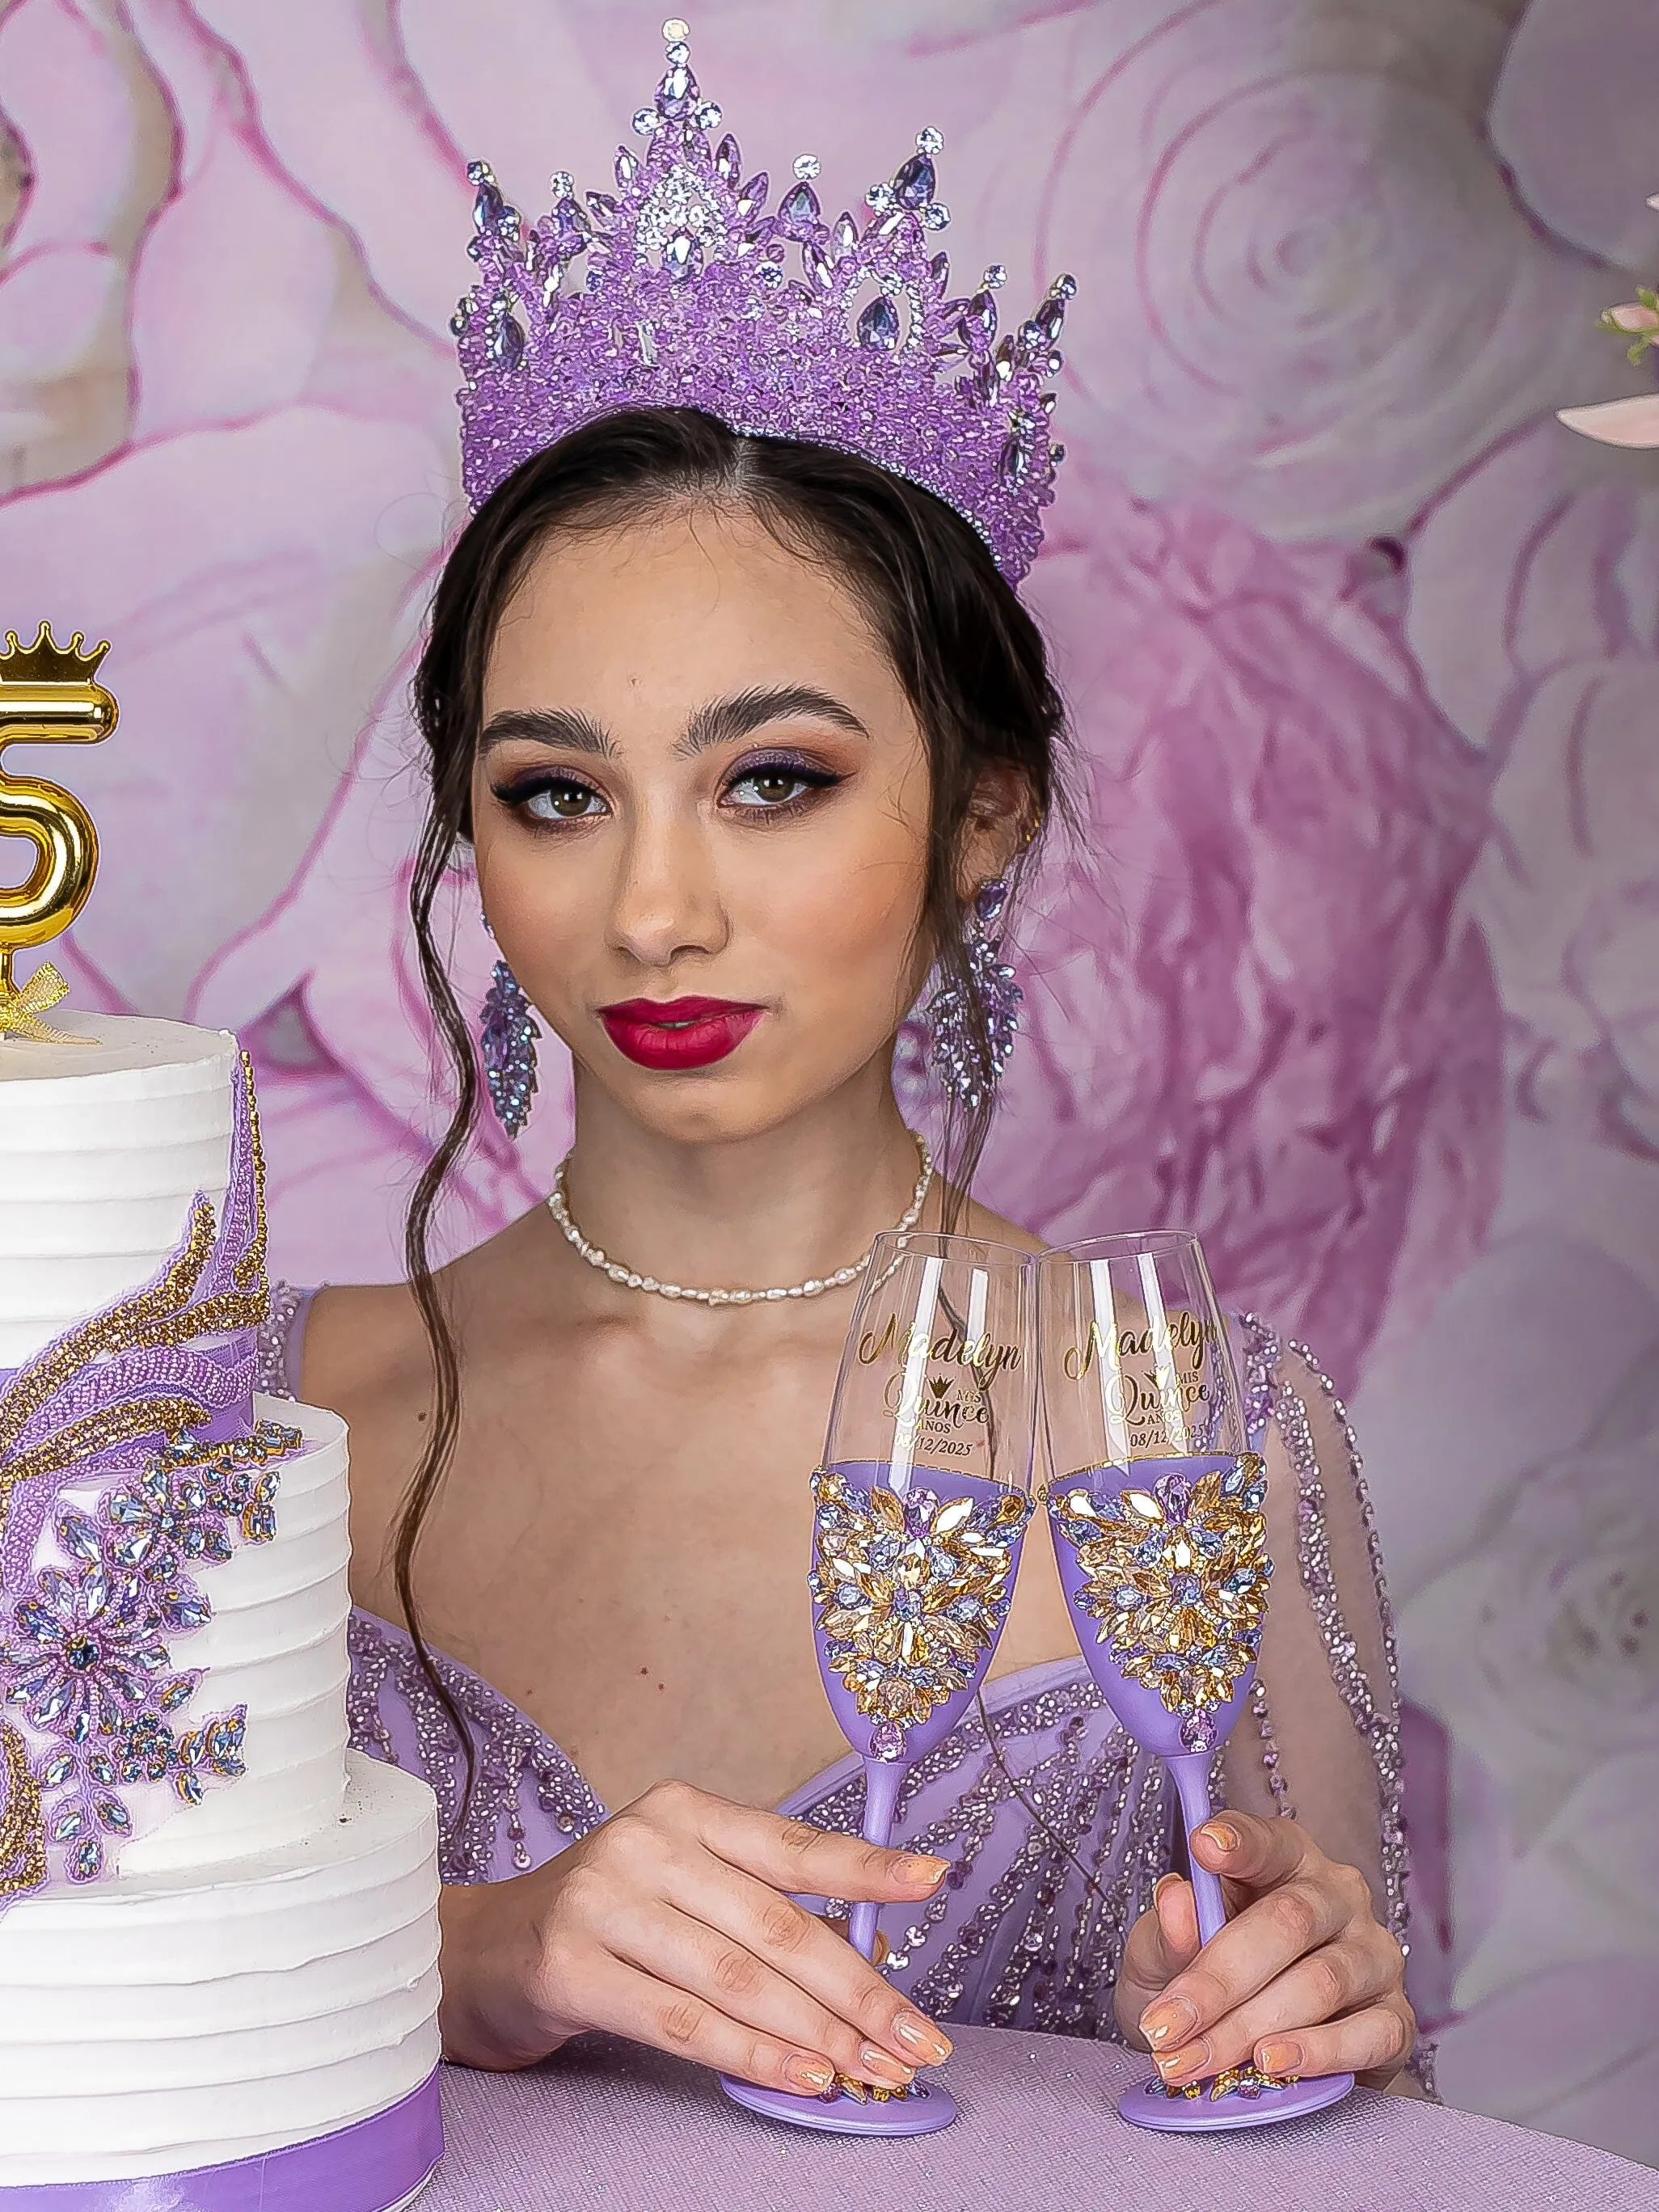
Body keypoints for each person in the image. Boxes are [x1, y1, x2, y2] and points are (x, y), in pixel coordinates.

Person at [257, 23, 1424, 2111]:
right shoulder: (277, 1413)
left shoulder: (1192, 1432)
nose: (653, 909)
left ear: (982, 807)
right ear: (467, 837)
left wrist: (1315, 2005)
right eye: (554, 794)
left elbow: (1370, 2137)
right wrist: (461, 1957)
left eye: (771, 780)